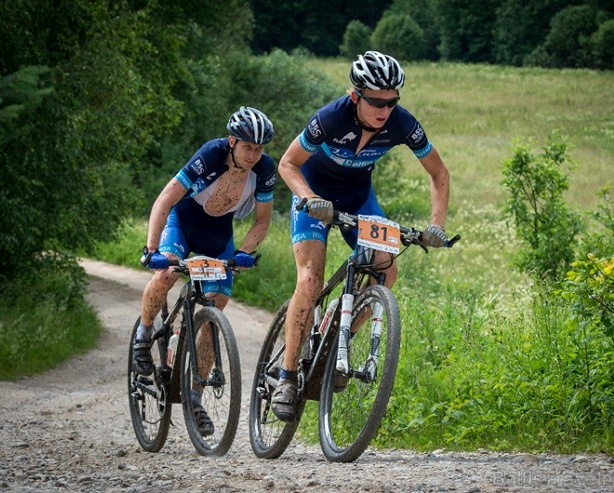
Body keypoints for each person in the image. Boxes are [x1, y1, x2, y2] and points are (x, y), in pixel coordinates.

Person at [273, 51, 451, 421]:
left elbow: (439, 174)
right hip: (314, 196)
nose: (385, 109)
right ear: (356, 96)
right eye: (376, 101)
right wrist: (309, 199)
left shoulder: (403, 124)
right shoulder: (330, 118)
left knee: (386, 271)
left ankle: (336, 343)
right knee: (309, 281)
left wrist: (437, 224)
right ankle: (288, 376)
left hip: (358, 198)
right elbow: (287, 164)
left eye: (392, 101)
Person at [133, 106, 276, 435]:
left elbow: (262, 221)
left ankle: (194, 397)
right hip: (182, 224)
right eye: (247, 147)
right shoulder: (210, 155)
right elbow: (166, 198)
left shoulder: (265, 170)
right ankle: (144, 332)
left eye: (259, 148)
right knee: (166, 274)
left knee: (215, 311)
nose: (254, 154)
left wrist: (243, 253)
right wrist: (152, 249)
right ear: (232, 141)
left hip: (217, 236)